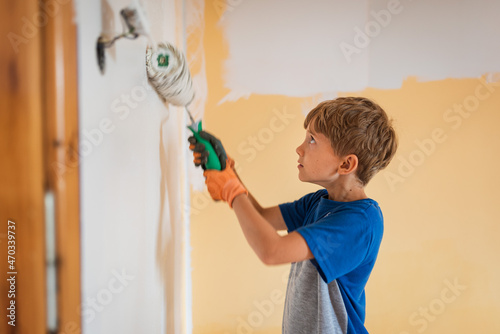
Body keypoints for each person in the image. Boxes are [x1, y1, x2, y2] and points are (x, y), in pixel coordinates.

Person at [189, 97, 398, 333]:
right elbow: (262, 217)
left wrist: (230, 189)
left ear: (346, 164)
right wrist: (228, 170)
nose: (299, 148)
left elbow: (272, 251)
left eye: (312, 140)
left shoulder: (360, 223)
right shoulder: (319, 201)